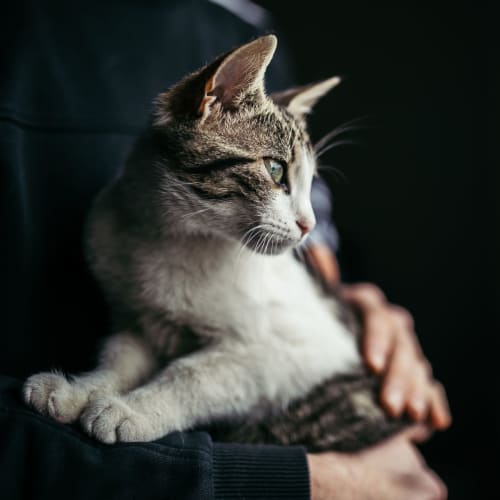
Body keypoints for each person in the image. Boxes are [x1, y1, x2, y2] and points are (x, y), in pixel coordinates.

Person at [0, 1, 450, 498]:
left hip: (330, 422)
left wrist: (340, 286)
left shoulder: (247, 19)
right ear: (212, 103)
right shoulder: (110, 227)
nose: (308, 222)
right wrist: (100, 389)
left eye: (304, 183)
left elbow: (271, 352)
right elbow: (144, 333)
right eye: (279, 174)